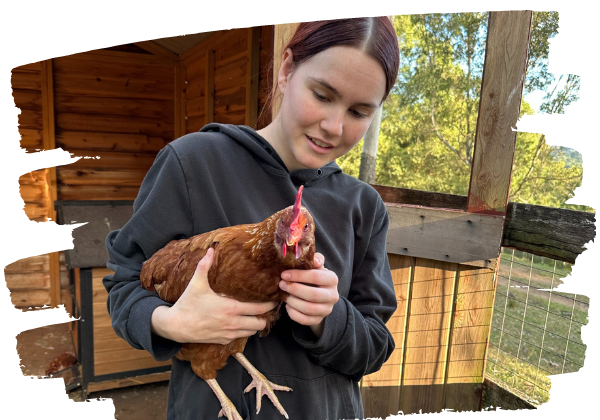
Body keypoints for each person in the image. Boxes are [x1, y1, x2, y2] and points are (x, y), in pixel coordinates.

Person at [104, 16, 400, 420]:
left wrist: (328, 317)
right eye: (323, 95)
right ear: (286, 69)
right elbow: (125, 285)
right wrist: (170, 322)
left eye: (360, 111)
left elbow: (375, 346)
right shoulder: (194, 165)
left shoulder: (364, 207)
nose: (334, 126)